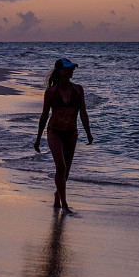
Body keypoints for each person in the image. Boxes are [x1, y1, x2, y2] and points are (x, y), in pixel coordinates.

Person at [34, 57, 93, 212]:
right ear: (59, 71)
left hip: (71, 133)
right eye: (67, 69)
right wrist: (38, 138)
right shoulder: (51, 92)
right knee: (61, 165)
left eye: (72, 68)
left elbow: (83, 113)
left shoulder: (78, 89)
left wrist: (88, 133)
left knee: (66, 170)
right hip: (55, 132)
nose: (71, 71)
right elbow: (44, 115)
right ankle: (64, 204)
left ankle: (57, 194)